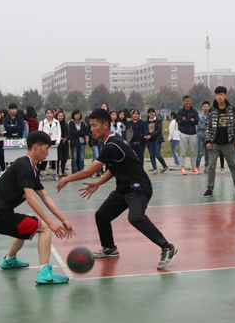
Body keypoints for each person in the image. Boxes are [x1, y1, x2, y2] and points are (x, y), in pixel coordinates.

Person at [57, 108, 179, 269]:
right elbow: (114, 168)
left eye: (94, 125)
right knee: (102, 216)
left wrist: (66, 178)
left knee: (135, 217)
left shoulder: (112, 145)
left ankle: (167, 247)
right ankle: (109, 248)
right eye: (90, 125)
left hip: (139, 187)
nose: (91, 129)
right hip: (124, 188)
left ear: (105, 125)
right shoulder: (111, 142)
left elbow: (89, 171)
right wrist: (98, 183)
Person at [0, 131, 74, 284]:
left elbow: (45, 198)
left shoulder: (30, 167)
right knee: (44, 228)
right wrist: (50, 223)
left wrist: (63, 220)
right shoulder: (25, 167)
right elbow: (31, 199)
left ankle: (9, 260)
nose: (47, 152)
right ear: (36, 147)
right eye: (46, 148)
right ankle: (44, 273)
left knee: (27, 222)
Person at [204, 86, 235, 198]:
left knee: (233, 165)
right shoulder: (212, 110)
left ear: (225, 95)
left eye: (221, 94)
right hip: (214, 143)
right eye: (217, 95)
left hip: (228, 143)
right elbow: (208, 126)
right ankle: (209, 188)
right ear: (215, 96)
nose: (219, 97)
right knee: (211, 167)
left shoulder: (231, 109)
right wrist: (208, 140)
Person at [177, 95, 199, 175]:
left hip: (193, 134)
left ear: (191, 101)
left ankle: (193, 167)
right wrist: (190, 120)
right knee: (183, 152)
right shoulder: (180, 112)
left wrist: (186, 120)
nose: (188, 102)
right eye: (186, 101)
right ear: (183, 101)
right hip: (183, 133)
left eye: (189, 101)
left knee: (193, 152)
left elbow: (196, 121)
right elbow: (180, 121)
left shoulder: (194, 111)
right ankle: (182, 168)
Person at [38, 108, 61, 180]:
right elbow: (39, 133)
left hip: (54, 141)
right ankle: (41, 173)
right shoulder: (42, 122)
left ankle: (54, 173)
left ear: (53, 114)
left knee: (54, 158)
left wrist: (58, 141)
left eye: (51, 113)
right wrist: (46, 135)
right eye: (48, 113)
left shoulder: (56, 122)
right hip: (45, 141)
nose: (49, 114)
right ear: (45, 114)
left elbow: (59, 133)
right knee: (44, 157)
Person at [144, 108, 169, 174]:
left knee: (157, 154)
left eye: (152, 112)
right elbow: (145, 130)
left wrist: (151, 136)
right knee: (151, 155)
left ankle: (165, 166)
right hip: (149, 141)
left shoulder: (159, 121)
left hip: (157, 140)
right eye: (150, 112)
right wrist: (145, 136)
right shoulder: (146, 122)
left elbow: (158, 130)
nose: (151, 114)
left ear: (155, 113)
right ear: (148, 114)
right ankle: (155, 168)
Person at [68, 109, 88, 173]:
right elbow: (71, 132)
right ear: (73, 115)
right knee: (74, 158)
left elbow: (84, 132)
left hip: (82, 142)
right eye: (76, 114)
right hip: (74, 142)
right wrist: (80, 132)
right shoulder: (71, 123)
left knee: (81, 158)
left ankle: (81, 171)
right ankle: (74, 171)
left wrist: (77, 132)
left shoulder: (82, 123)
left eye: (79, 114)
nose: (77, 115)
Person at [196, 101, 210, 172]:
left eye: (207, 106)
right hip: (201, 136)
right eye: (204, 106)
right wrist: (206, 125)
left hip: (208, 137)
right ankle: (197, 166)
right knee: (200, 153)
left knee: (208, 153)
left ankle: (206, 166)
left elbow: (211, 126)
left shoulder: (210, 116)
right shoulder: (199, 116)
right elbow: (199, 126)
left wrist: (203, 124)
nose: (206, 108)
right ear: (202, 107)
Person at [56, 109, 69, 178]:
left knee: (64, 158)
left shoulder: (66, 124)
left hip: (65, 143)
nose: (60, 117)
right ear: (56, 116)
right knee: (58, 157)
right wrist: (59, 138)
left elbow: (69, 133)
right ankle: (57, 172)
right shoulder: (55, 124)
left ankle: (63, 171)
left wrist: (66, 138)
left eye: (62, 116)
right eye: (59, 116)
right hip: (58, 143)